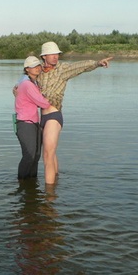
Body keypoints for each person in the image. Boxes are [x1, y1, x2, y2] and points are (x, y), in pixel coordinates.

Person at [38, 41, 113, 184]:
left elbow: (80, 66)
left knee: (47, 154)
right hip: (42, 116)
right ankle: (56, 184)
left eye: (57, 54)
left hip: (54, 115)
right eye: (52, 54)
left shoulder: (62, 69)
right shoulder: (38, 71)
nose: (55, 57)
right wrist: (16, 91)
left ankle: (48, 197)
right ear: (44, 57)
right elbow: (25, 83)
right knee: (51, 154)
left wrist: (97, 63)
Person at [15, 56, 51, 180]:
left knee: (36, 155)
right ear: (27, 69)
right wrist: (48, 99)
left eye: (38, 66)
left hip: (33, 122)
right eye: (33, 67)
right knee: (29, 155)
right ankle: (22, 183)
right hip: (26, 123)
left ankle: (31, 183)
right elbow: (43, 103)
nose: (37, 68)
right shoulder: (27, 84)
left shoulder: (31, 82)